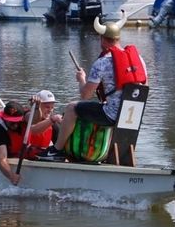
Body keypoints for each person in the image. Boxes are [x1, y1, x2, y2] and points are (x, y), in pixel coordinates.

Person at [54, 13, 147, 156]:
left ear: (102, 39)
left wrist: (81, 79)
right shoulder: (138, 59)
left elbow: (86, 95)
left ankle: (57, 150)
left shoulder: (102, 62)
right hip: (134, 116)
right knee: (97, 107)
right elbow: (145, 87)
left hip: (111, 116)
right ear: (118, 38)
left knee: (72, 108)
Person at [0, 101, 29, 186]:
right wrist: (12, 176)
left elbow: (36, 119)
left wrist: (36, 107)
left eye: (17, 121)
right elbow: (0, 158)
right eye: (11, 121)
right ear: (4, 118)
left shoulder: (26, 117)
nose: (14, 125)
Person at [26, 89, 60, 154]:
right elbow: (33, 128)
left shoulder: (53, 124)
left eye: (52, 107)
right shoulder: (28, 116)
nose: (50, 110)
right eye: (47, 107)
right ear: (38, 106)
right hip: (25, 155)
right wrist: (36, 107)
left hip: (41, 156)